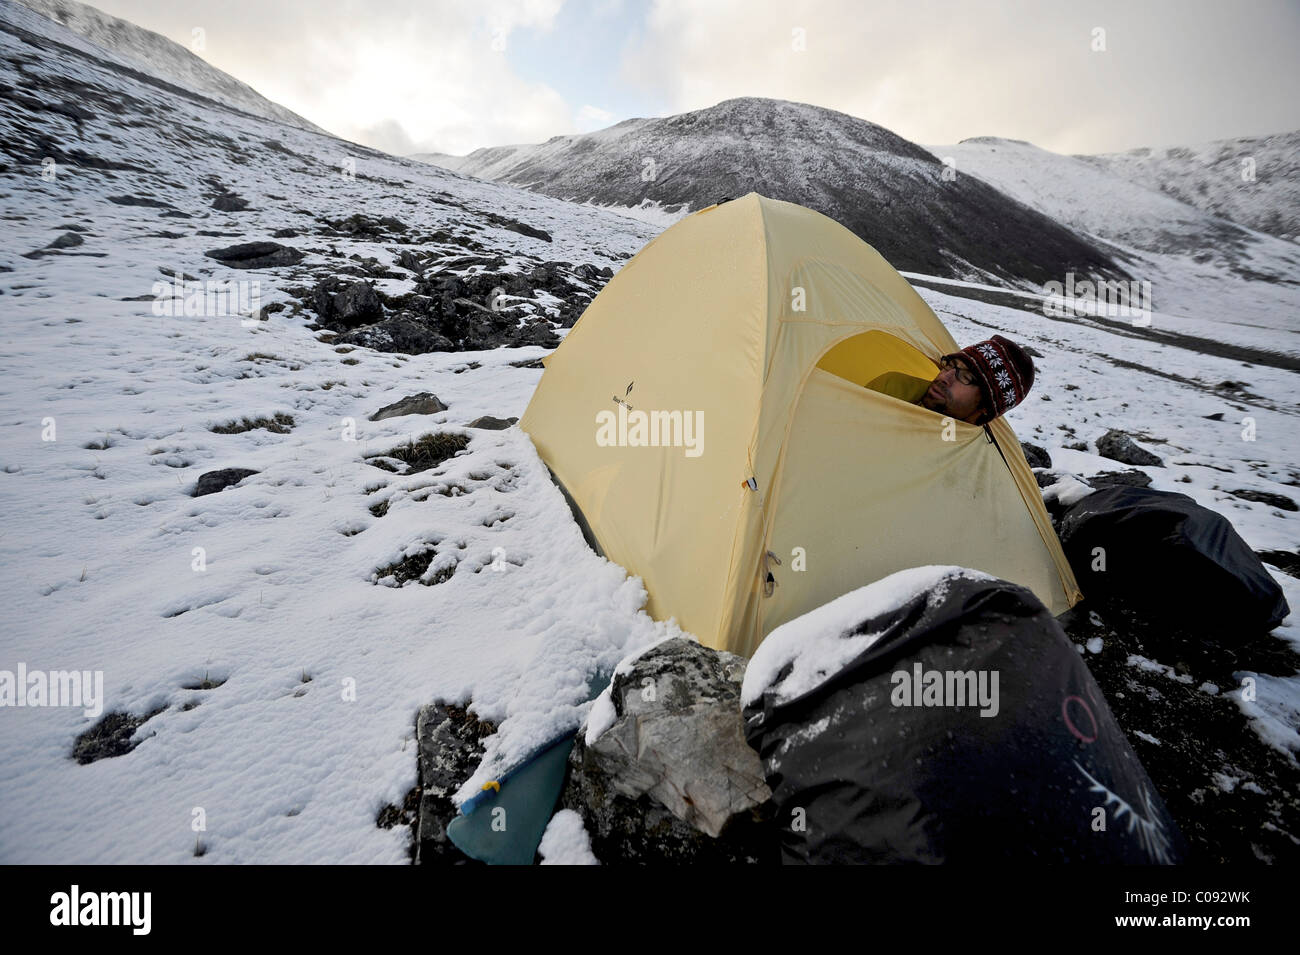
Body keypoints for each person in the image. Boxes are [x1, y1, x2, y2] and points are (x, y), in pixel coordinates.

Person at [864, 335, 1035, 425]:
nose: (944, 377)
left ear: (985, 408)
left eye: (966, 377)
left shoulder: (971, 470)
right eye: (949, 366)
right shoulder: (890, 390)